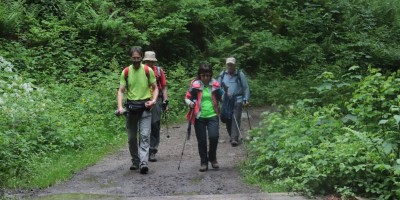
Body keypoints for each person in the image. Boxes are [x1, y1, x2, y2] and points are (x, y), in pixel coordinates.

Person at [117, 46, 159, 174]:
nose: (136, 60)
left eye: (138, 58)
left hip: (145, 108)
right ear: (131, 58)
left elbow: (155, 87)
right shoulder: (126, 72)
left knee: (145, 136)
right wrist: (120, 107)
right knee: (131, 138)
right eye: (134, 58)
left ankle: (143, 162)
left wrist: (153, 100)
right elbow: (121, 90)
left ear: (141, 57)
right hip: (131, 109)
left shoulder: (147, 70)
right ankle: (135, 161)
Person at [184, 63, 224, 172]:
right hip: (199, 116)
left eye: (208, 75)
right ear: (200, 75)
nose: (205, 78)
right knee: (201, 140)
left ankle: (212, 158)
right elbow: (187, 97)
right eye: (203, 75)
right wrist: (190, 104)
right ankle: (204, 162)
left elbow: (222, 96)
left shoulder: (215, 84)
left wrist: (227, 97)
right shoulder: (195, 85)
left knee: (214, 137)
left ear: (211, 75)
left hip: (213, 115)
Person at [142, 51, 168, 162]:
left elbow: (164, 87)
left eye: (152, 61)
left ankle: (152, 151)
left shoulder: (159, 71)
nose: (150, 63)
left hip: (156, 100)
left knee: (155, 125)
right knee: (143, 127)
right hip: (142, 99)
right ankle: (143, 151)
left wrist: (166, 101)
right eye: (148, 61)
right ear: (145, 61)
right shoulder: (140, 70)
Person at [218, 57, 250, 147]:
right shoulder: (222, 74)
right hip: (226, 101)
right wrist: (218, 97)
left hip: (237, 99)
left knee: (235, 118)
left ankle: (234, 138)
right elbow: (217, 87)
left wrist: (246, 99)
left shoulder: (240, 74)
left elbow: (246, 87)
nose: (230, 66)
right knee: (227, 118)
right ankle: (232, 136)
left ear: (235, 65)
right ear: (226, 64)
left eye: (231, 64)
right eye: (228, 64)